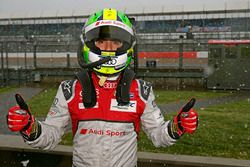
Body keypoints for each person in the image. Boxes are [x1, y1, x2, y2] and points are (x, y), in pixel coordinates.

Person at [7, 8, 198, 167]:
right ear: (88, 44)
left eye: (116, 42)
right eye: (100, 41)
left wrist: (177, 126)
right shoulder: (70, 89)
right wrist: (30, 127)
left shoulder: (141, 90)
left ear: (127, 46)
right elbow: (50, 137)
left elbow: (158, 136)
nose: (108, 47)